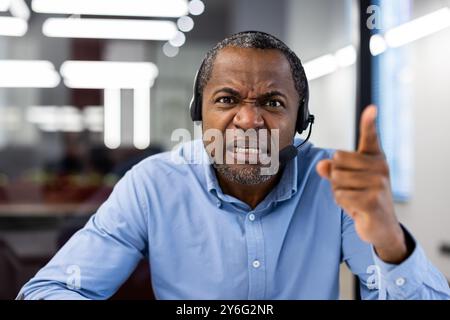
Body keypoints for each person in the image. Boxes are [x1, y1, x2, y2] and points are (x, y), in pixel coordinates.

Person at [18, 31, 450, 300]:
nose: (248, 120)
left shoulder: (334, 187)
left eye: (272, 102)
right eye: (226, 100)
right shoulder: (152, 186)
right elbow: (49, 291)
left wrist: (391, 241)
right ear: (198, 113)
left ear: (301, 121)